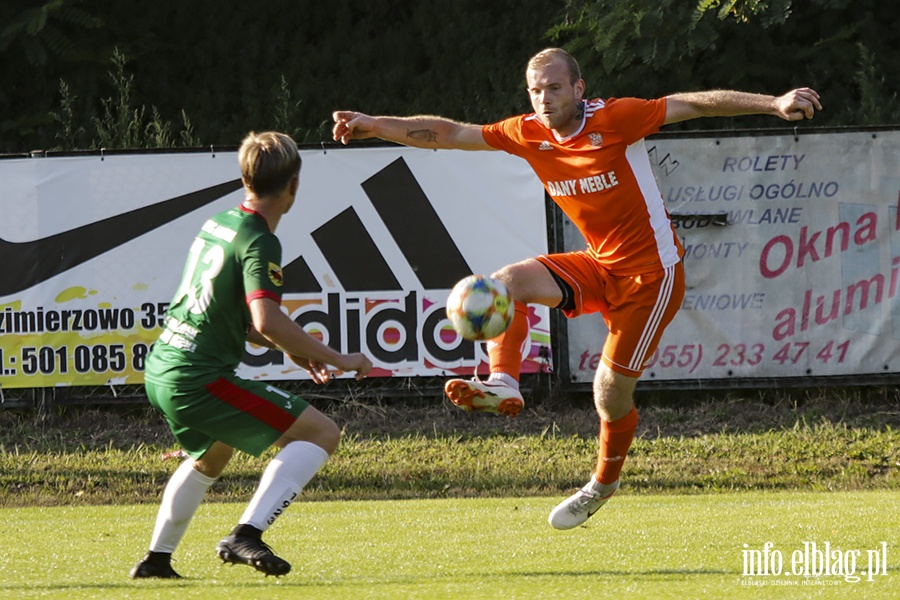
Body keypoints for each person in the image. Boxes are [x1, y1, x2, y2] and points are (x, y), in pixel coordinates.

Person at [332, 48, 821, 530]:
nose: (544, 99)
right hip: (599, 265)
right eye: (536, 89)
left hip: (651, 278)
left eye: (555, 87)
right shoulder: (527, 132)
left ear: (579, 88)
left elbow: (692, 103)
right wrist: (376, 124)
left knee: (607, 395)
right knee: (507, 283)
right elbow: (450, 133)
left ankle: (602, 485)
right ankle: (503, 381)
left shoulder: (619, 118)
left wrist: (773, 102)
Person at [130, 131, 373, 578]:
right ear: (294, 185)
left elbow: (235, 316)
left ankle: (156, 560)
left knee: (211, 455)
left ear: (245, 178)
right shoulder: (260, 241)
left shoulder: (219, 222)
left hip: (164, 366)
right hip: (197, 378)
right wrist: (339, 358)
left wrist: (294, 351)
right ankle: (247, 534)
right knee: (321, 434)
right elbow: (265, 320)